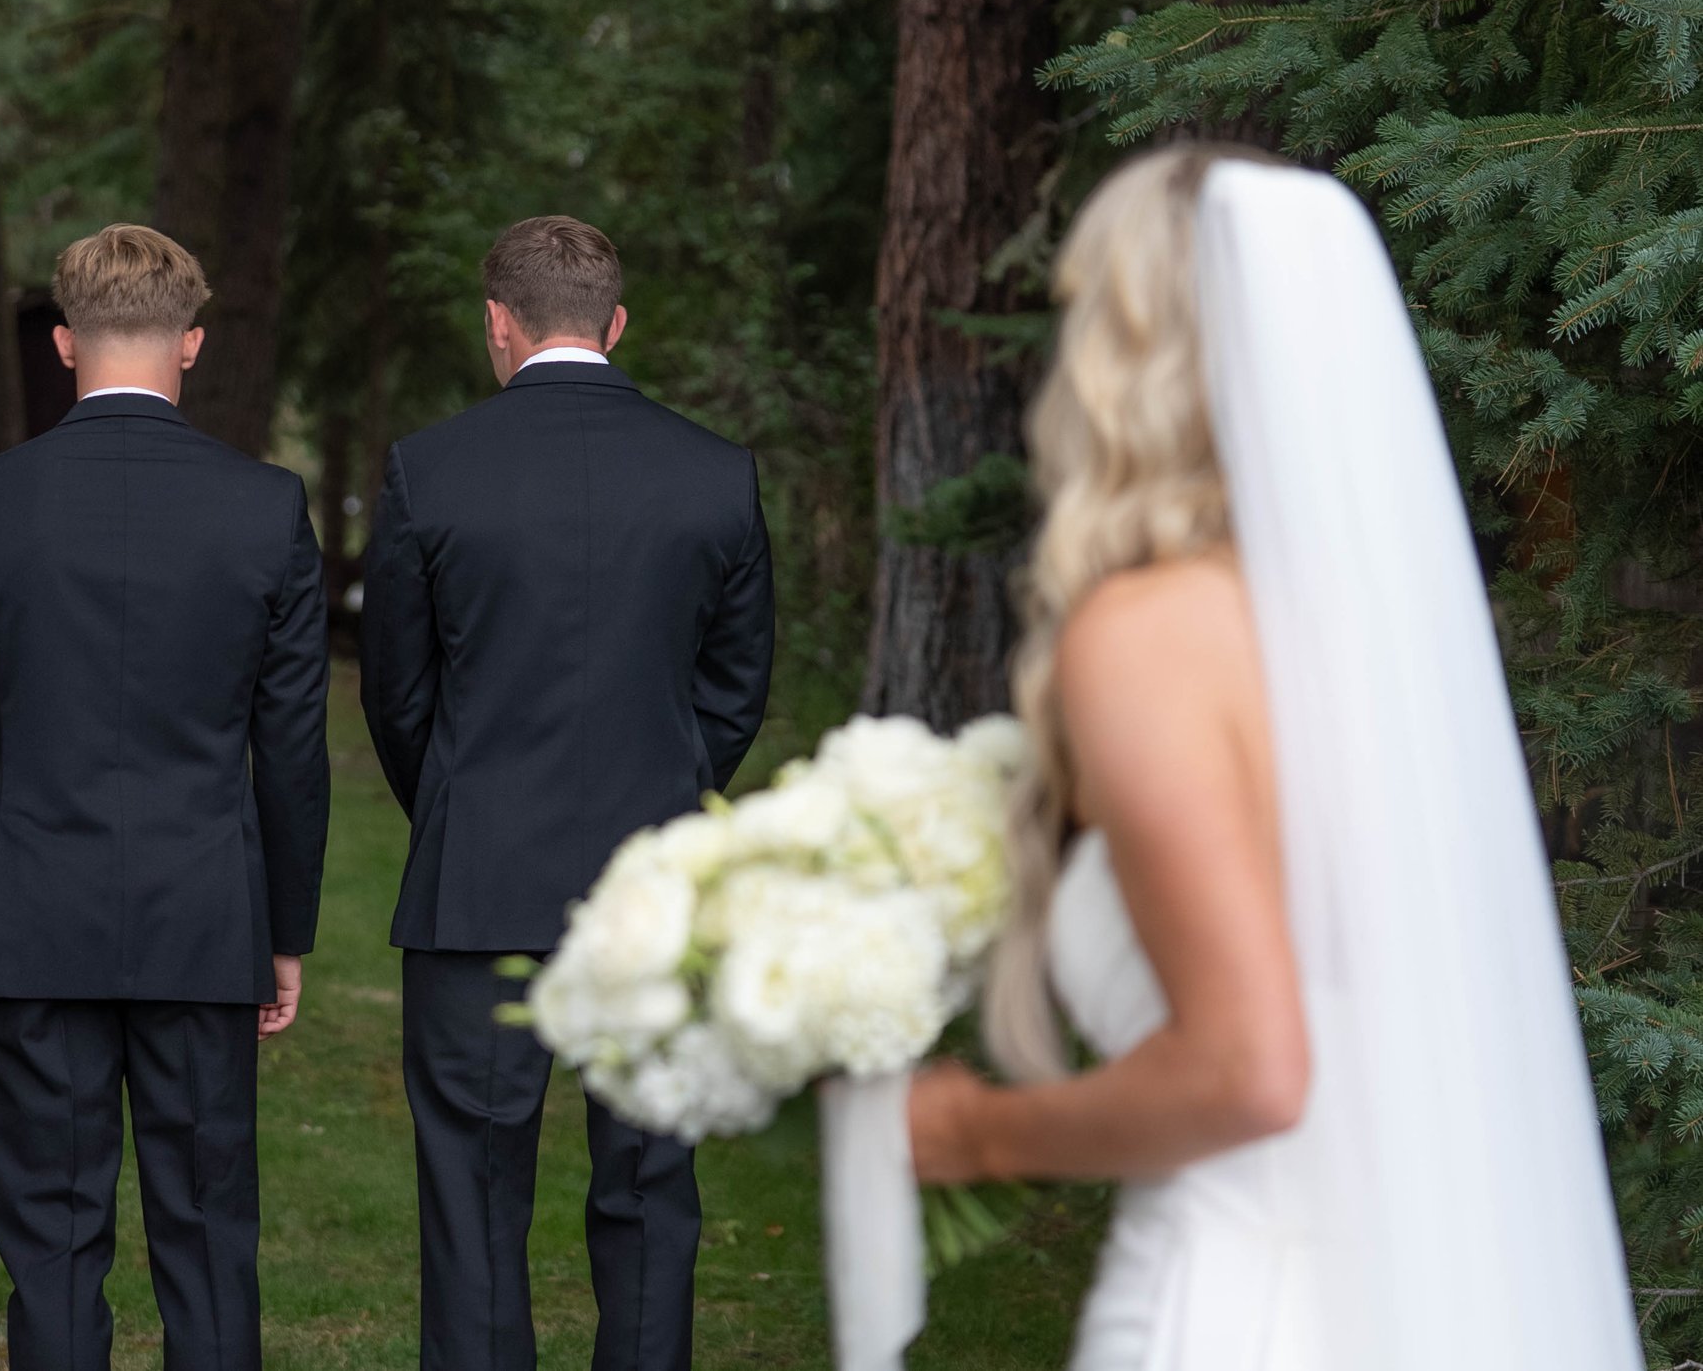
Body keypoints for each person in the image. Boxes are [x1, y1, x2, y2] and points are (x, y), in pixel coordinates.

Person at [902, 148, 1640, 1367]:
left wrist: (976, 1130)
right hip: (1428, 1293)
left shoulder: (1144, 633)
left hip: (1247, 1301)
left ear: (1131, 350)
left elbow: (1248, 1068)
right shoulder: (1389, 647)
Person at [361, 215, 776, 1371]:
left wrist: (456, 804)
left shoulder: (429, 469)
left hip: (479, 881)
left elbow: (398, 694)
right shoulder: (715, 473)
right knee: (650, 1188)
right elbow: (734, 690)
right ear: (616, 322)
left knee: (476, 1200)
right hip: (655, 885)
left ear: (497, 322)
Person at [0, 223, 331, 1371]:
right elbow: (291, 746)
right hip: (204, 916)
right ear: (190, 343)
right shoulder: (263, 507)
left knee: (50, 1241)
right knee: (208, 1239)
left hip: (30, 913)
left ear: (64, 342)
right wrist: (283, 931)